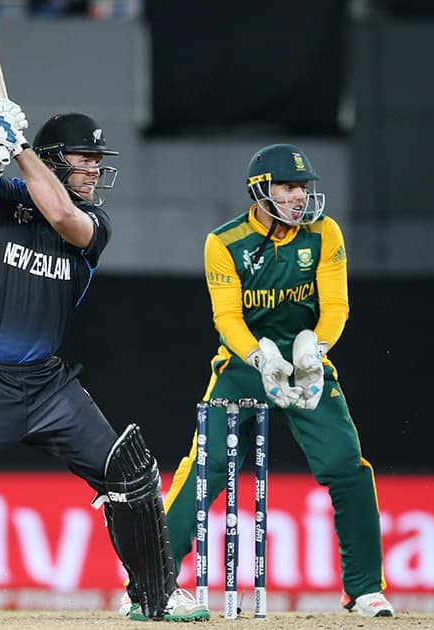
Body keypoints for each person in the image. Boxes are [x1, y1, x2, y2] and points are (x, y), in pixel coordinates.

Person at [0, 99, 208, 622]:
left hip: (48, 385)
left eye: (97, 159)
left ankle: (155, 595)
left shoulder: (94, 220)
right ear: (55, 161)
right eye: (83, 158)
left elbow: (61, 217)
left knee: (130, 474)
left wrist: (19, 148)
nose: (95, 168)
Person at [161, 144, 394, 617]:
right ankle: (147, 580)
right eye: (287, 188)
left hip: (306, 366)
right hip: (244, 367)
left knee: (347, 465)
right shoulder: (224, 243)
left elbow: (336, 307)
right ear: (259, 190)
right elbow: (226, 317)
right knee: (203, 471)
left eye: (303, 188)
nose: (298, 198)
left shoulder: (324, 233)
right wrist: (256, 356)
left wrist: (317, 348)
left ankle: (365, 588)